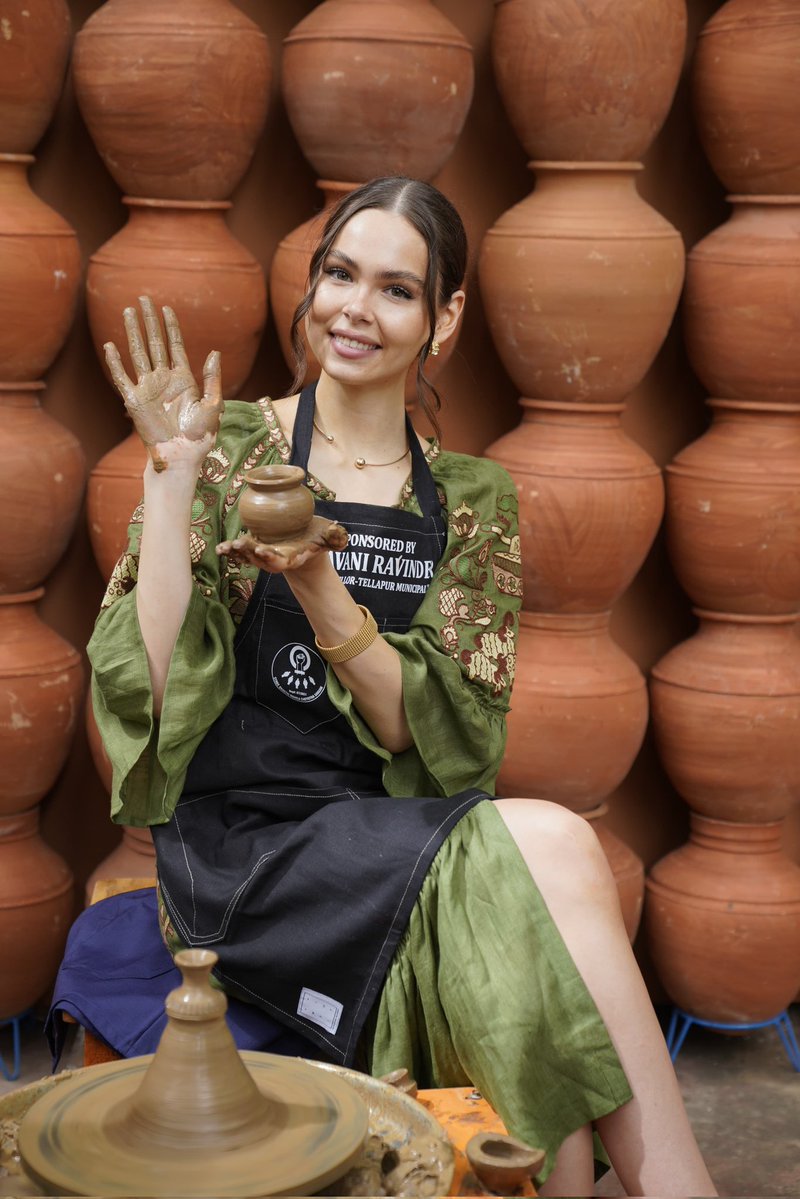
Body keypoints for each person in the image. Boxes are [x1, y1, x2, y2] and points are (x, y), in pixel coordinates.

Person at [88, 176, 715, 1197]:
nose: (355, 309)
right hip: (241, 852)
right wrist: (170, 479)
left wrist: (316, 578)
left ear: (443, 317)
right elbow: (151, 693)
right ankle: (680, 1184)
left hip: (393, 830)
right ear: (311, 285)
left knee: (538, 967)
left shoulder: (471, 501)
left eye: (394, 289)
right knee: (556, 845)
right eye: (340, 274)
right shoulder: (228, 443)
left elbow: (437, 737)